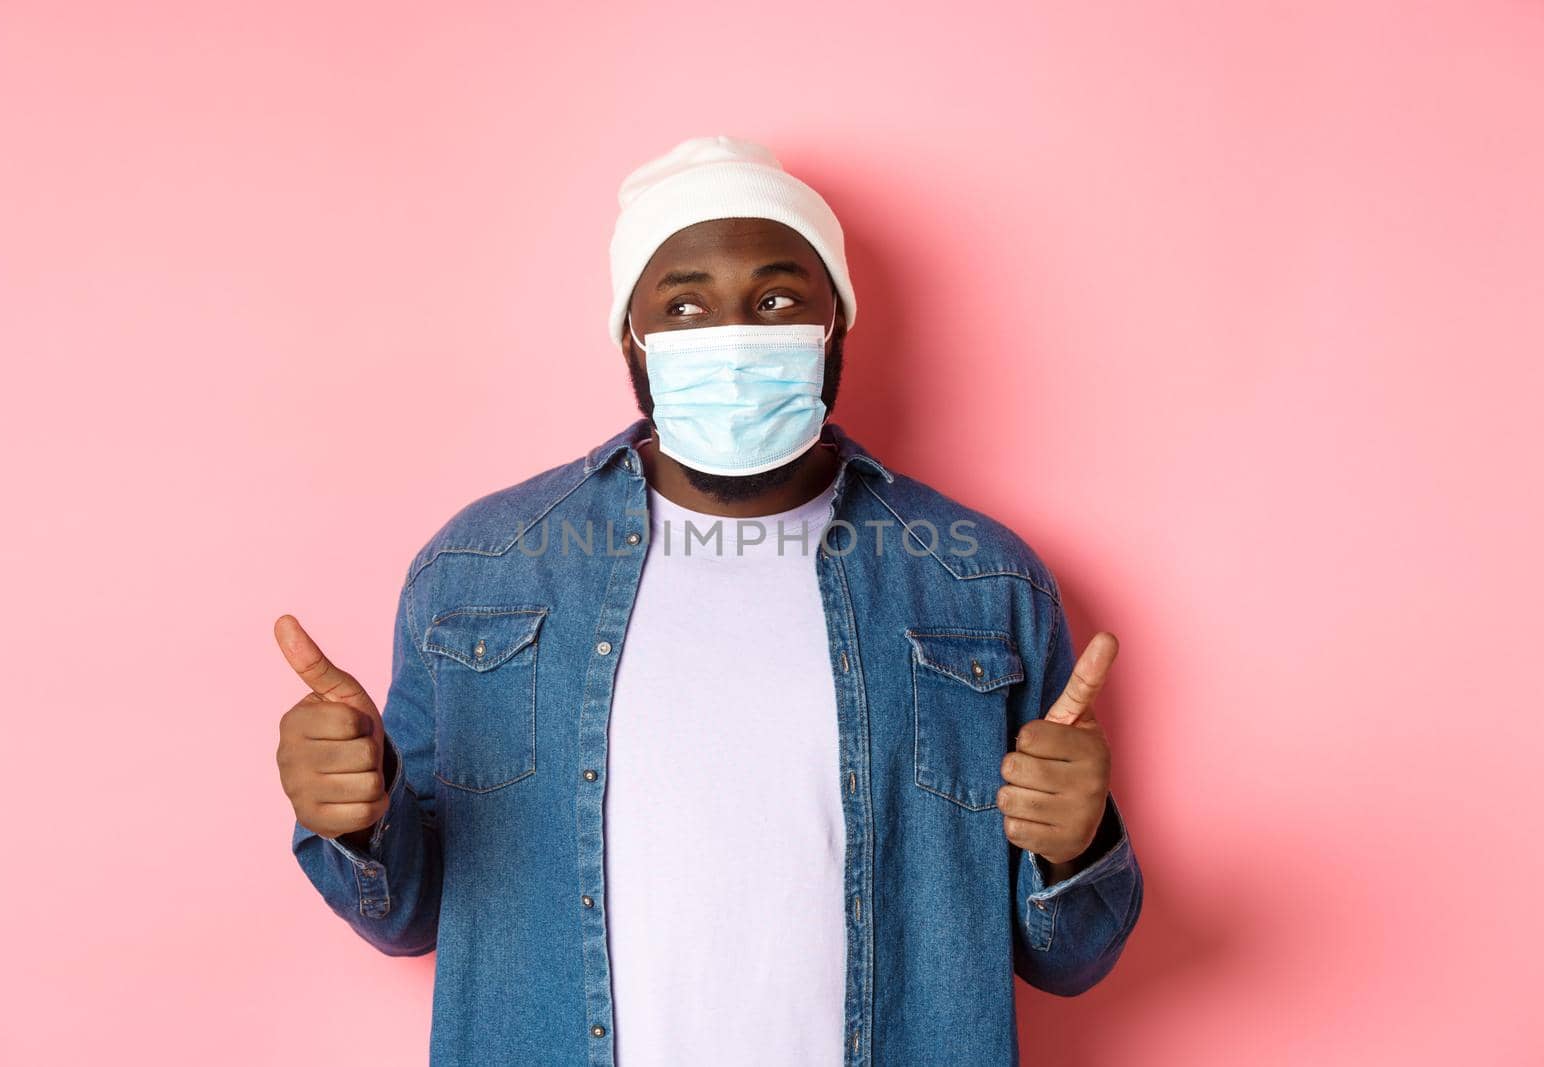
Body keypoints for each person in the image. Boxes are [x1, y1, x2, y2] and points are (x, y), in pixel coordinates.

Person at [275, 134, 1143, 1066]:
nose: (733, 335)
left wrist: (1076, 846)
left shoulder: (979, 580)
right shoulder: (482, 570)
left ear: (835, 327)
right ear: (631, 338)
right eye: (685, 304)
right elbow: (405, 918)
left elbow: (1068, 960)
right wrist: (356, 819)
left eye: (775, 300)